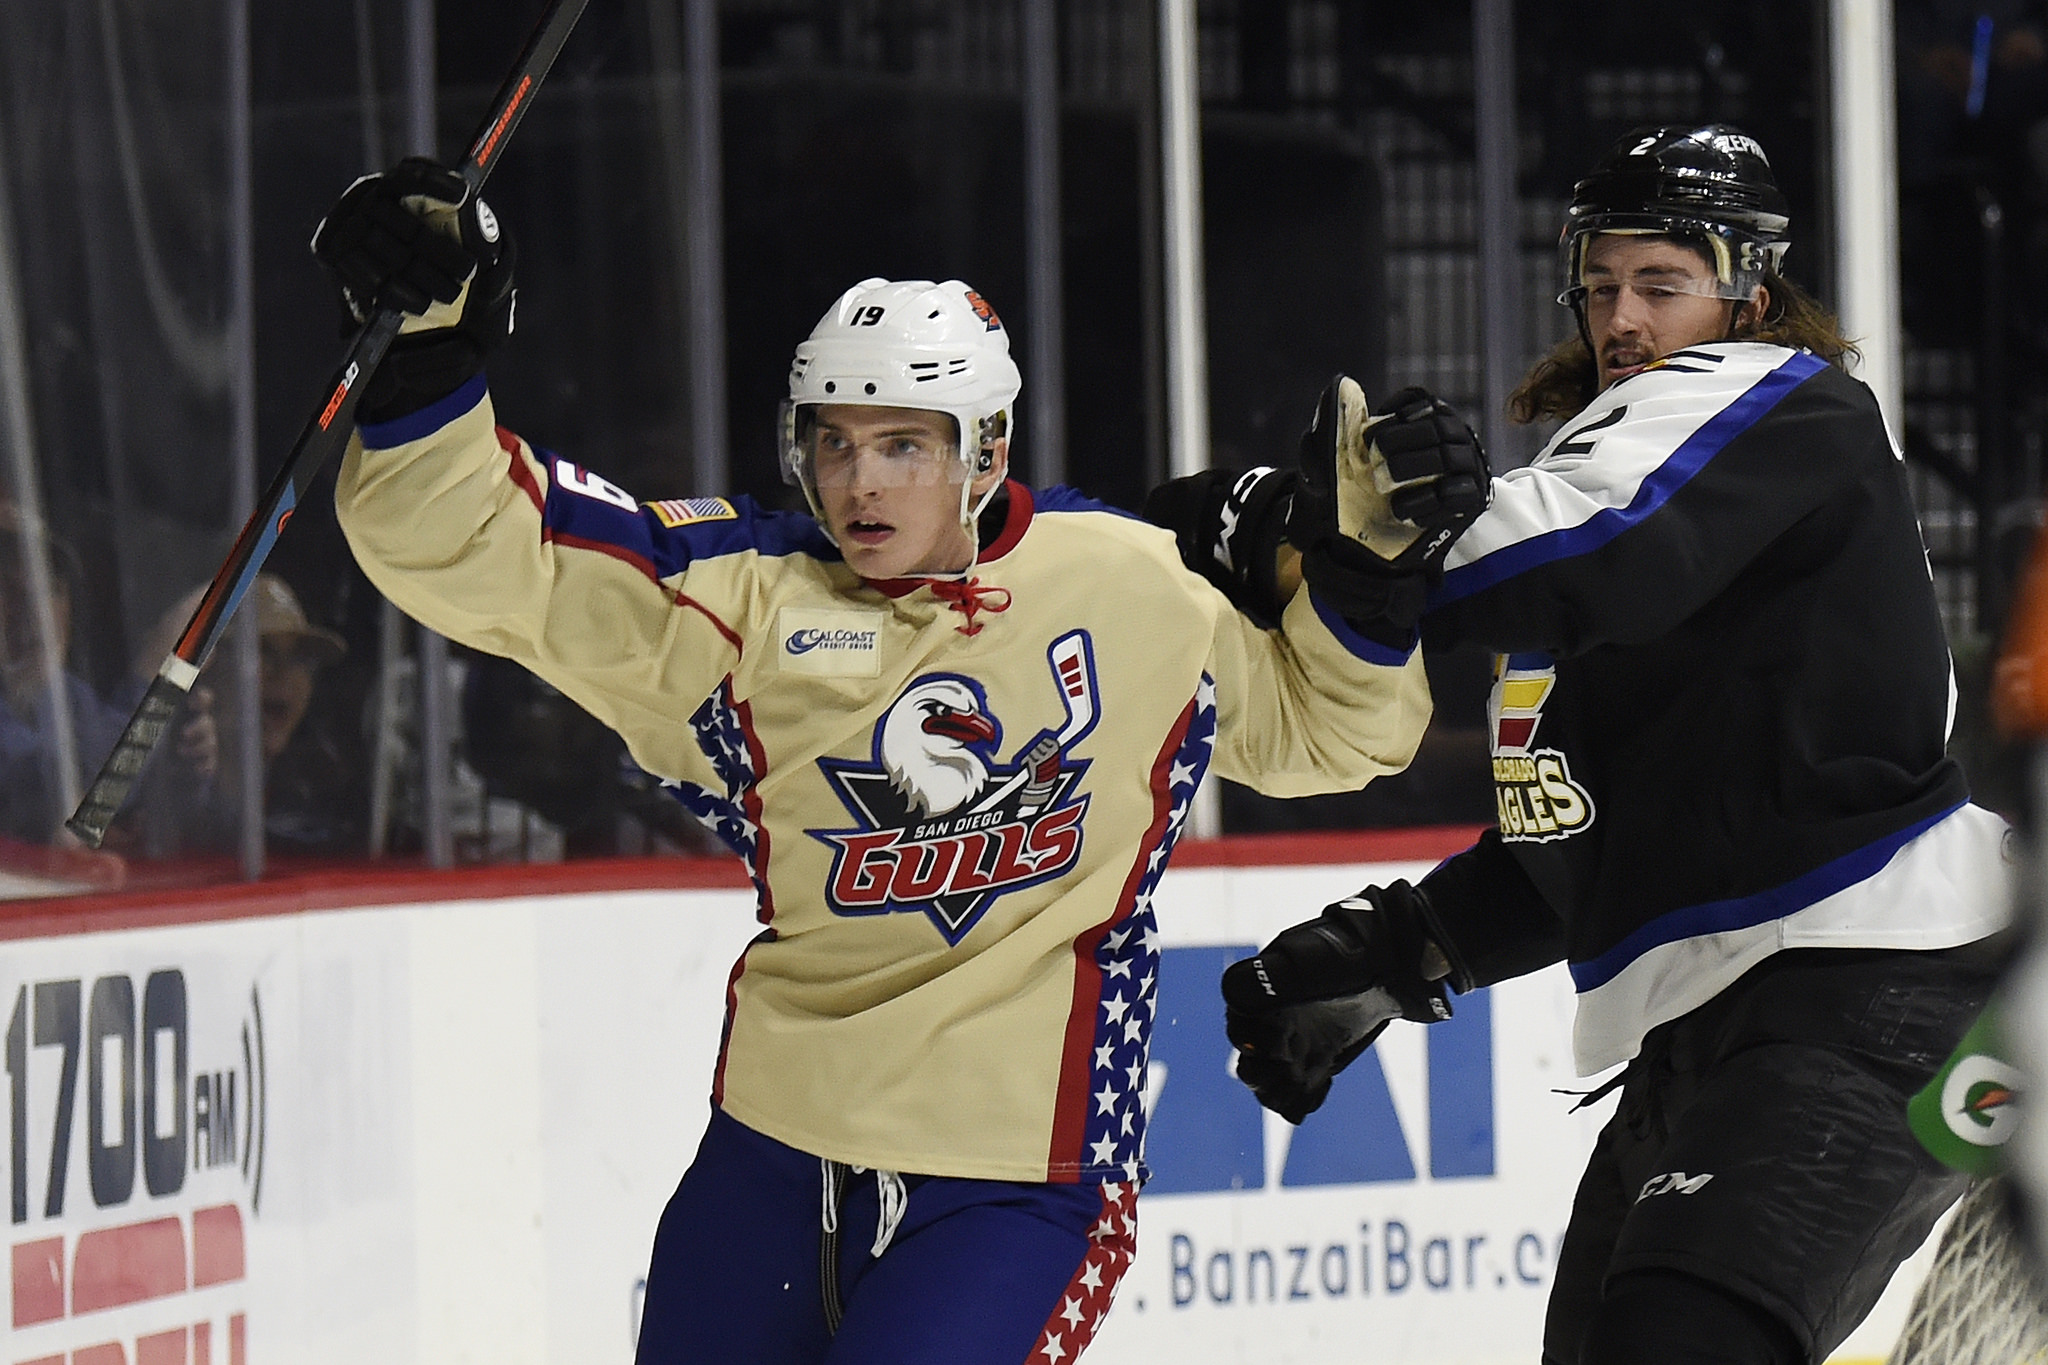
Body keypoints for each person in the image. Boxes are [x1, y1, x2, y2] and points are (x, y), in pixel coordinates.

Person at [308, 156, 1483, 1363]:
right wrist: (429, 353)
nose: (861, 481)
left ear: (984, 452)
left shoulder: (1130, 591)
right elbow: (492, 555)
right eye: (835, 442)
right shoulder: (742, 604)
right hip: (764, 1163)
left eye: (904, 446)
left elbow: (1333, 735)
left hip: (1016, 1188)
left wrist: (1369, 583)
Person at [1145, 123, 2014, 1365]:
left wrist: (1302, 535)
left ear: (1748, 295)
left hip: (1869, 995)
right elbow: (1584, 836)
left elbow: (1563, 557)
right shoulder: (1639, 513)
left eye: (1661, 284)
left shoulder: (1775, 397)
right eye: (1600, 285)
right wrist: (1407, 948)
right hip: (1723, 1029)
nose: (1622, 318)